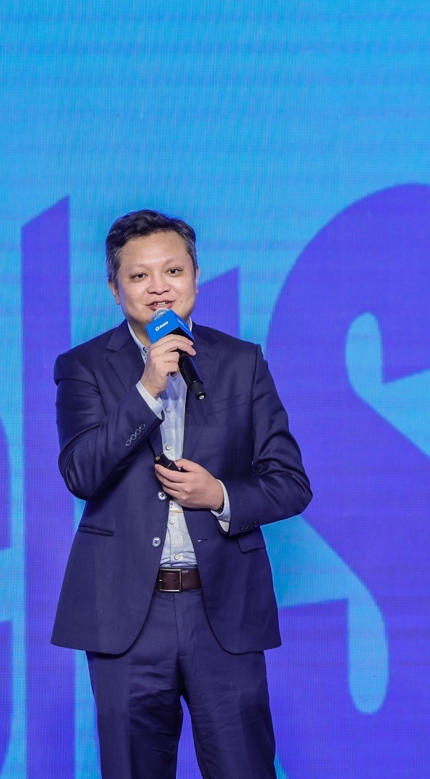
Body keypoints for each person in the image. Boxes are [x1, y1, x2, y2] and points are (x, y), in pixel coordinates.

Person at [50, 209, 312, 779]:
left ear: (195, 275)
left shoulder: (242, 362)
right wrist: (147, 388)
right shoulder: (83, 367)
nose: (159, 287)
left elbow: (291, 484)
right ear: (114, 287)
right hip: (127, 614)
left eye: (172, 271)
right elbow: (81, 474)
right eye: (139, 275)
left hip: (223, 611)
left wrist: (219, 494)